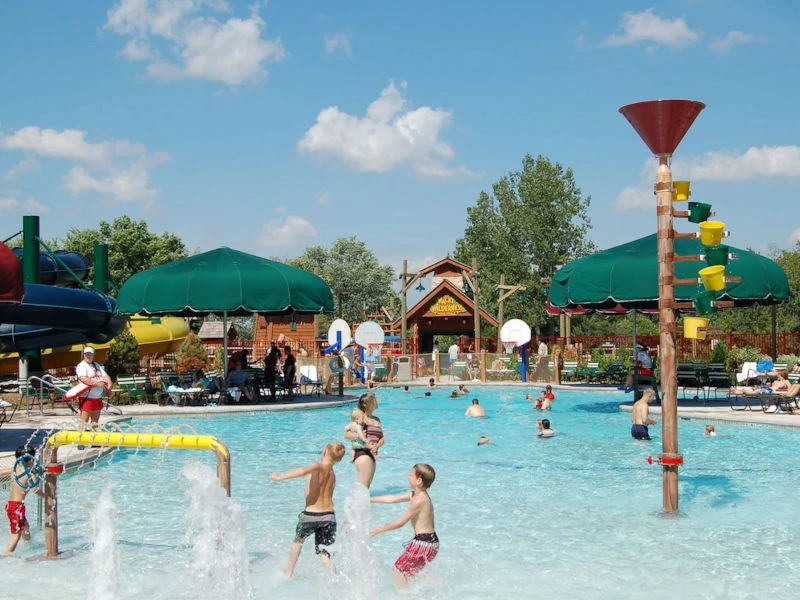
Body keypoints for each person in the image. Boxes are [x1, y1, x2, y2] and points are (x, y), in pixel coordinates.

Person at [270, 441, 346, 578]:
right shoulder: (332, 475)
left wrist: (279, 477)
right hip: (329, 516)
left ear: (325, 452)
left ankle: (289, 573)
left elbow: (302, 471)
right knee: (324, 553)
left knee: (298, 541)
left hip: (311, 514)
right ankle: (336, 579)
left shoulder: (317, 466)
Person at [371, 463, 438, 586]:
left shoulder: (419, 501)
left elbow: (400, 523)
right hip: (431, 543)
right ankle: (433, 590)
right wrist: (370, 499)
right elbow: (392, 498)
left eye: (411, 474)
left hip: (423, 543)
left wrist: (377, 530)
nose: (408, 476)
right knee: (414, 573)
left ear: (419, 481)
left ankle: (404, 596)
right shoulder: (415, 495)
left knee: (399, 569)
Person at [6, 445, 43, 554]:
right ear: (32, 459)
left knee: (25, 526)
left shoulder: (15, 470)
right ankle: (6, 555)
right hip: (17, 507)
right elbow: (35, 490)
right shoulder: (29, 473)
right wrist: (46, 496)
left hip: (10, 505)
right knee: (15, 536)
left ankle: (29, 544)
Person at [344, 393, 384, 487]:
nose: (377, 401)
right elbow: (347, 434)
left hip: (372, 453)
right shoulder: (360, 419)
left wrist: (377, 446)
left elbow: (382, 437)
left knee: (366, 487)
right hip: (363, 453)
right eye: (374, 400)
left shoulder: (377, 419)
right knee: (363, 487)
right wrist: (360, 437)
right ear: (366, 404)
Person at [75, 346, 112, 427]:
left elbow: (105, 376)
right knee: (84, 420)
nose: (88, 356)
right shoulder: (81, 366)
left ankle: (93, 437)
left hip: (97, 397)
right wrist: (98, 384)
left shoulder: (96, 365)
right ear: (84, 355)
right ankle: (80, 437)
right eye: (87, 354)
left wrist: (108, 386)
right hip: (87, 397)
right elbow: (84, 379)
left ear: (93, 355)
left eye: (90, 354)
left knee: (95, 421)